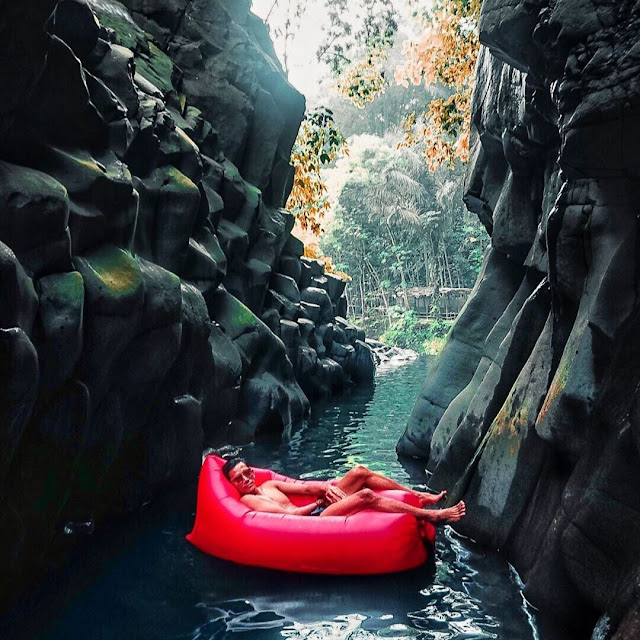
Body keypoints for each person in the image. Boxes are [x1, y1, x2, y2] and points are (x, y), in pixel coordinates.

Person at [221, 457, 466, 523]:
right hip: (311, 521)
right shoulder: (250, 501)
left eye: (246, 473)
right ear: (233, 484)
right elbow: (291, 516)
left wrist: (325, 489)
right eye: (238, 478)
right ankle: (431, 515)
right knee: (366, 496)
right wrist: (320, 503)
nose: (245, 479)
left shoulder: (268, 484)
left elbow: (305, 488)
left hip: (318, 507)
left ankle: (418, 496)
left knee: (360, 471)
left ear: (251, 471)